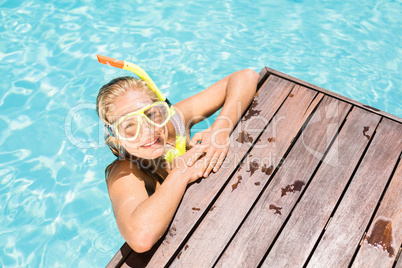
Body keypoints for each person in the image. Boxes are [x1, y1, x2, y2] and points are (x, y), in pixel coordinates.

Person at [96, 69, 259, 253]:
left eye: (150, 114)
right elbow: (140, 237)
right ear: (115, 138)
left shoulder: (173, 123)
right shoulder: (125, 173)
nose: (148, 131)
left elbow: (246, 76)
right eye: (129, 125)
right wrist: (180, 174)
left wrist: (220, 128)